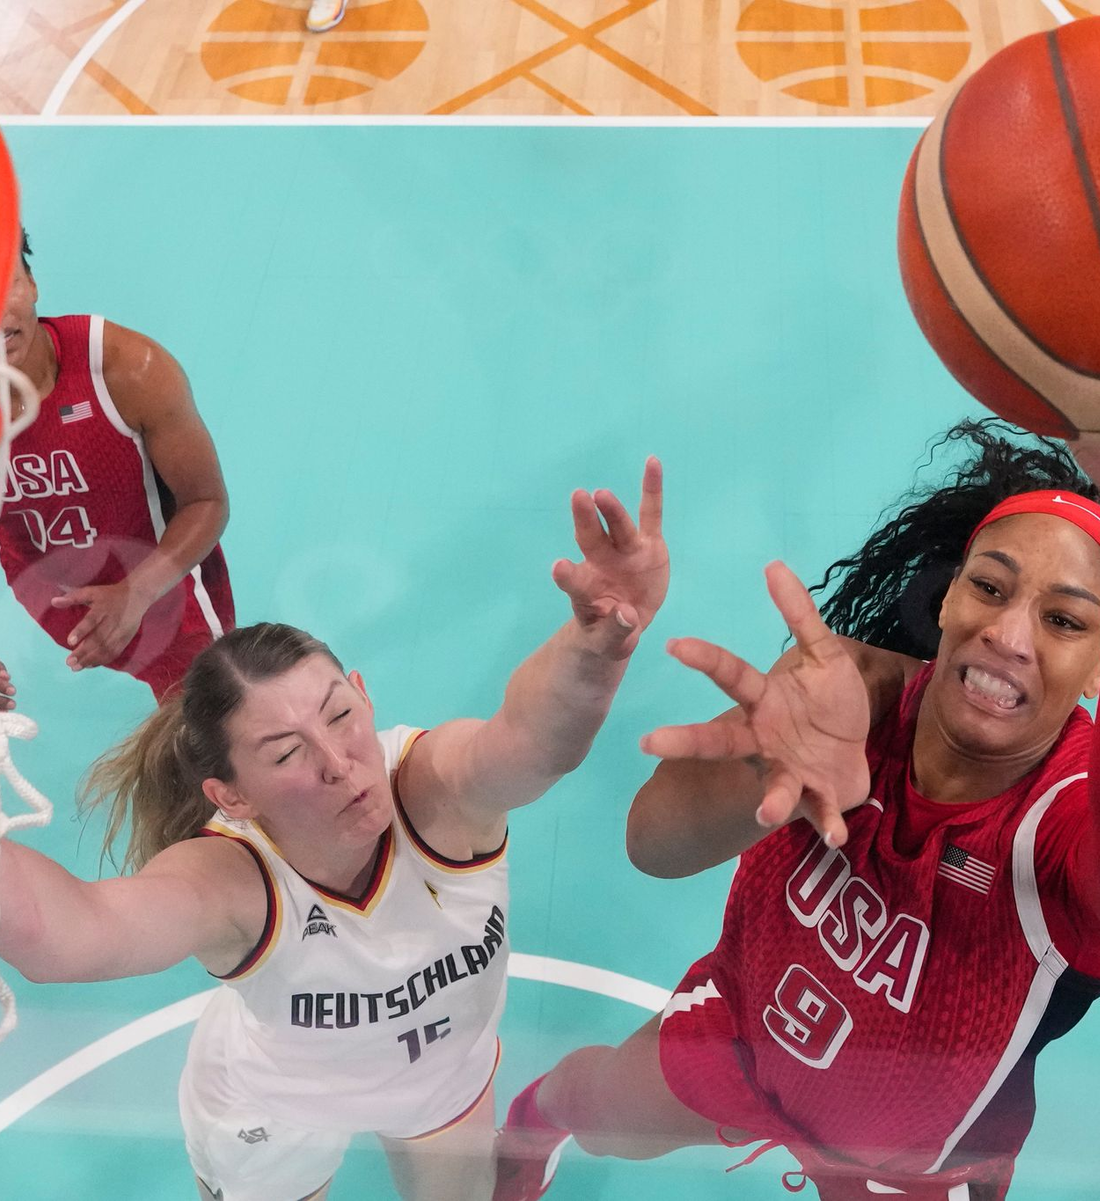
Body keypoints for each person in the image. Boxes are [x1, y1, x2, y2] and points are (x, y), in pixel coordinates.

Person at [492, 421, 1100, 1200]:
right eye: (989, 587)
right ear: (949, 594)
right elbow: (650, 843)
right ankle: (532, 1124)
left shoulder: (1064, 822)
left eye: (1063, 620)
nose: (1007, 635)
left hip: (912, 1174)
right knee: (588, 1106)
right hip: (741, 1037)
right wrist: (771, 762)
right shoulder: (842, 698)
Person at [0, 457, 668, 1201]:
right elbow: (67, 934)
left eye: (341, 716)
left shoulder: (435, 792)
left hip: (439, 1072)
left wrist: (598, 644)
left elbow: (533, 741)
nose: (339, 764)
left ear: (363, 693)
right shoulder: (229, 883)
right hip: (275, 1103)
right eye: (287, 753)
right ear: (233, 795)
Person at [0, 227, 235, 705]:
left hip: (163, 591)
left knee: (212, 731)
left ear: (32, 282)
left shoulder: (127, 370)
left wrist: (136, 593)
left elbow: (207, 502)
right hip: (51, 593)